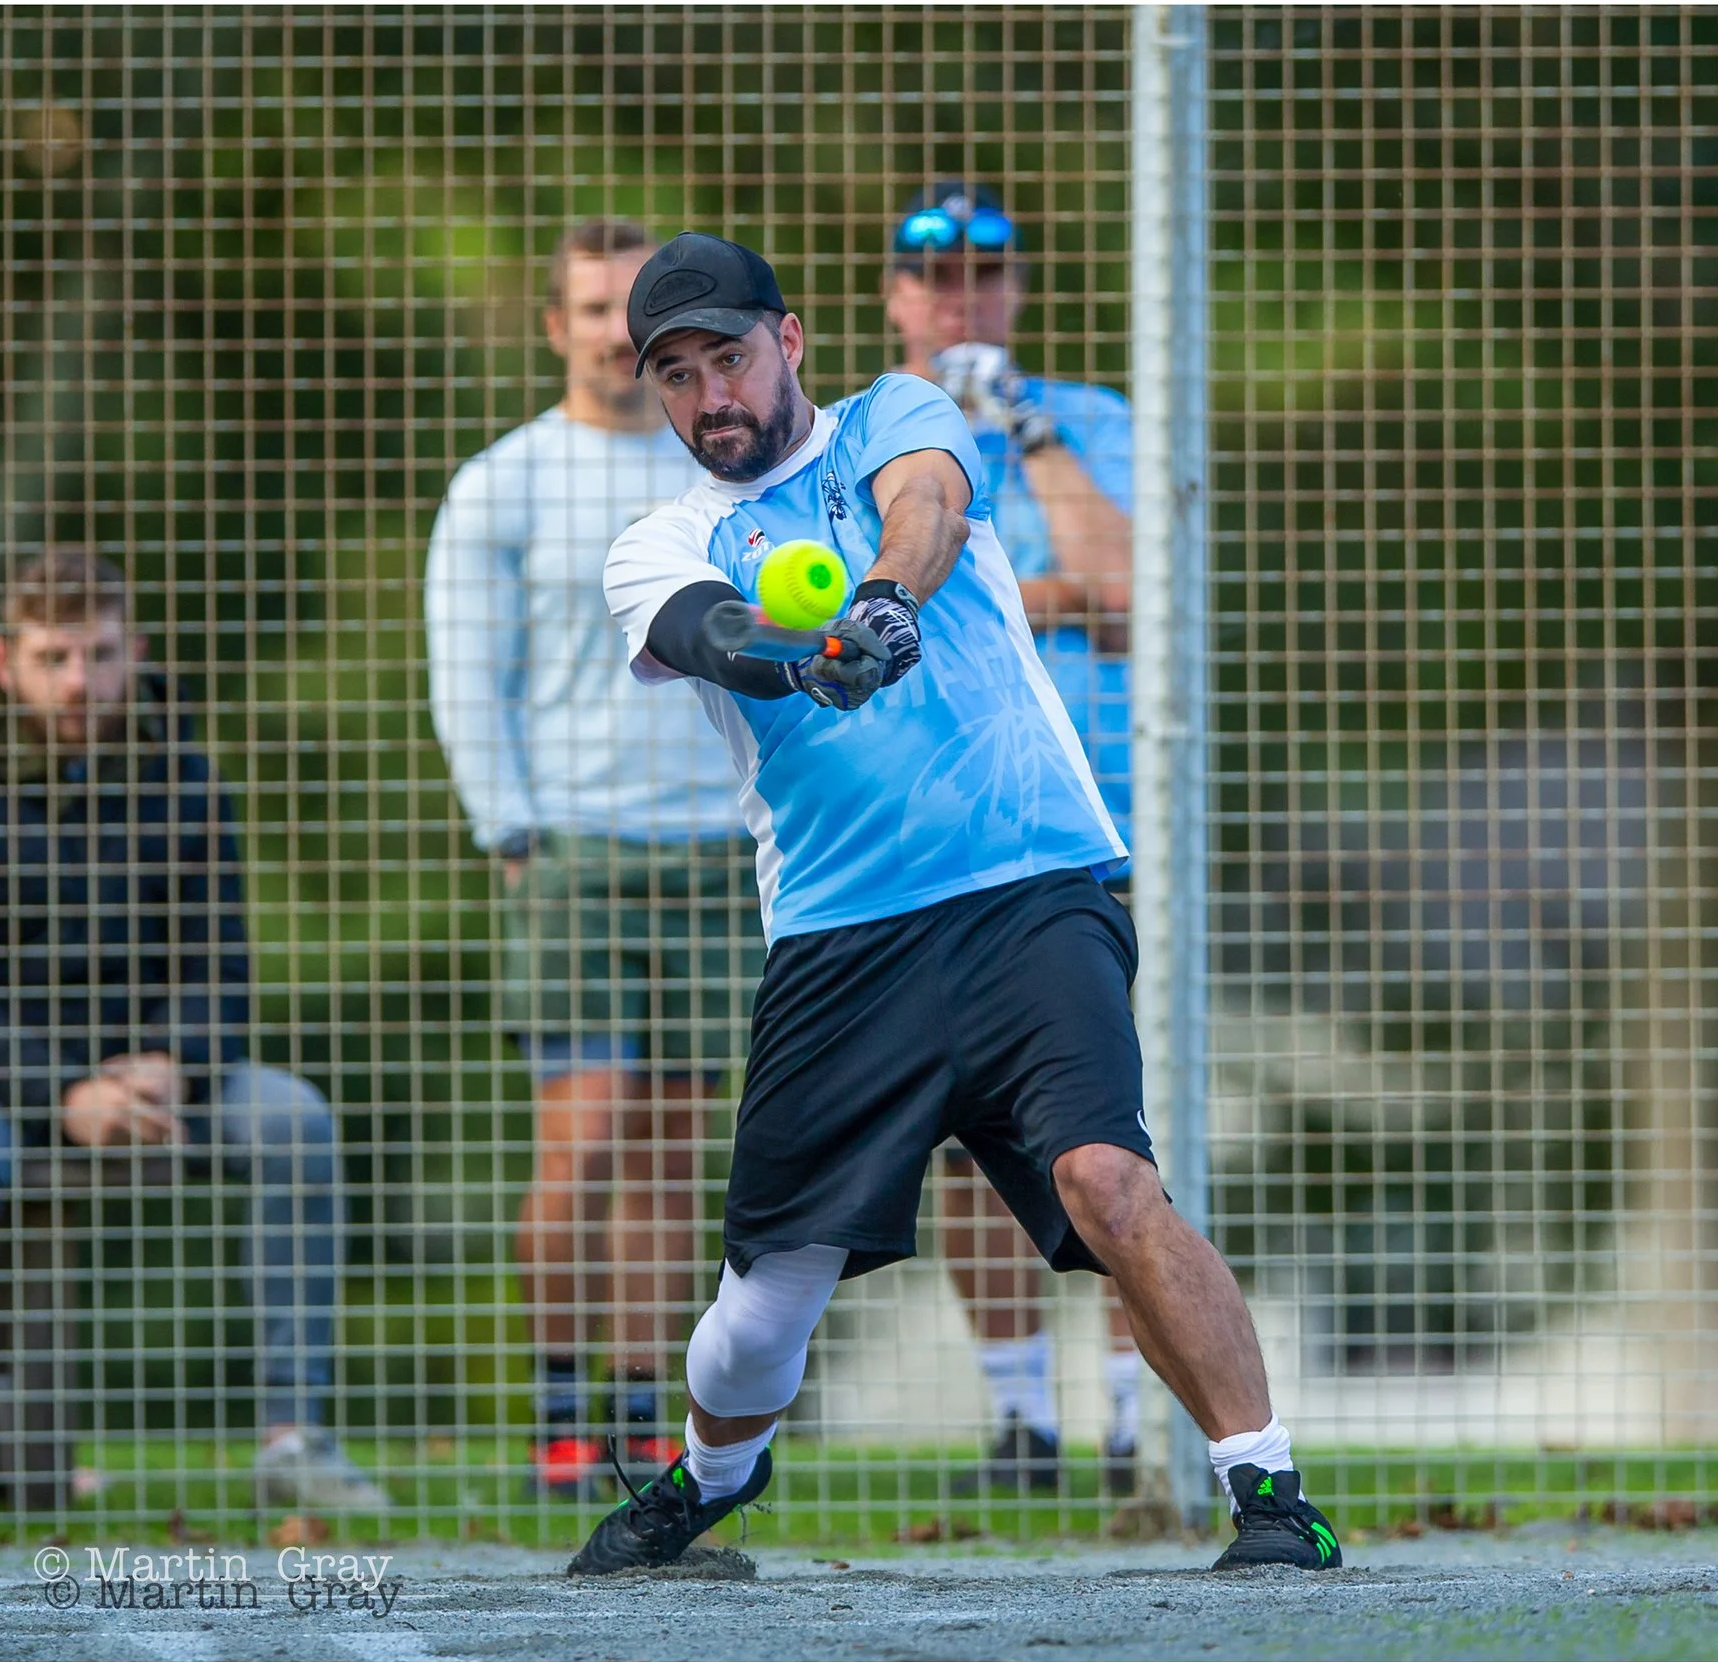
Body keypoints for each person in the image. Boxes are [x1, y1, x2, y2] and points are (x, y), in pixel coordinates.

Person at [568, 231, 1339, 1573]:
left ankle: (1268, 1491)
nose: (711, 396)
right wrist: (798, 658)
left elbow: (923, 505)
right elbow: (703, 631)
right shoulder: (663, 535)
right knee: (764, 1307)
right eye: (678, 374)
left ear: (788, 341)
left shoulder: (898, 411)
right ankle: (708, 1476)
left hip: (1034, 886)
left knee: (1111, 1179)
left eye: (730, 358)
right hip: (841, 938)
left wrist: (876, 603)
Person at [423, 219, 765, 1498]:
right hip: (570, 849)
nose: (609, 336)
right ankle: (558, 1402)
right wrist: (507, 829)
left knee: (676, 1149)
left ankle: (633, 1415)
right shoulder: (504, 482)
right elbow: (470, 677)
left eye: (629, 315)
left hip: (711, 847)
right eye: (585, 310)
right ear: (556, 325)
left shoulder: (716, 474)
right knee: (582, 1136)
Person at [0, 549, 387, 1510]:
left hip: (160, 1078)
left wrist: (172, 1063)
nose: (81, 680)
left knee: (295, 1121)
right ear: (4, 661)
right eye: (55, 656)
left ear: (136, 651)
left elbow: (222, 964)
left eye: (101, 654)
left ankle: (294, 1436)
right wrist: (63, 1092)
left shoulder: (185, 777)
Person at [884, 181, 1146, 1496]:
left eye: (986, 270)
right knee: (970, 1139)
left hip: (1099, 823)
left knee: (1115, 1135)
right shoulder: (864, 429)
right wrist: (1055, 599)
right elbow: (893, 604)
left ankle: (1125, 1413)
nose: (960, 295)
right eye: (933, 274)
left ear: (1016, 287)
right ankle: (1023, 1415)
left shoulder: (1091, 422)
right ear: (894, 295)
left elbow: (1139, 594)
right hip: (942, 834)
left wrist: (1028, 431)